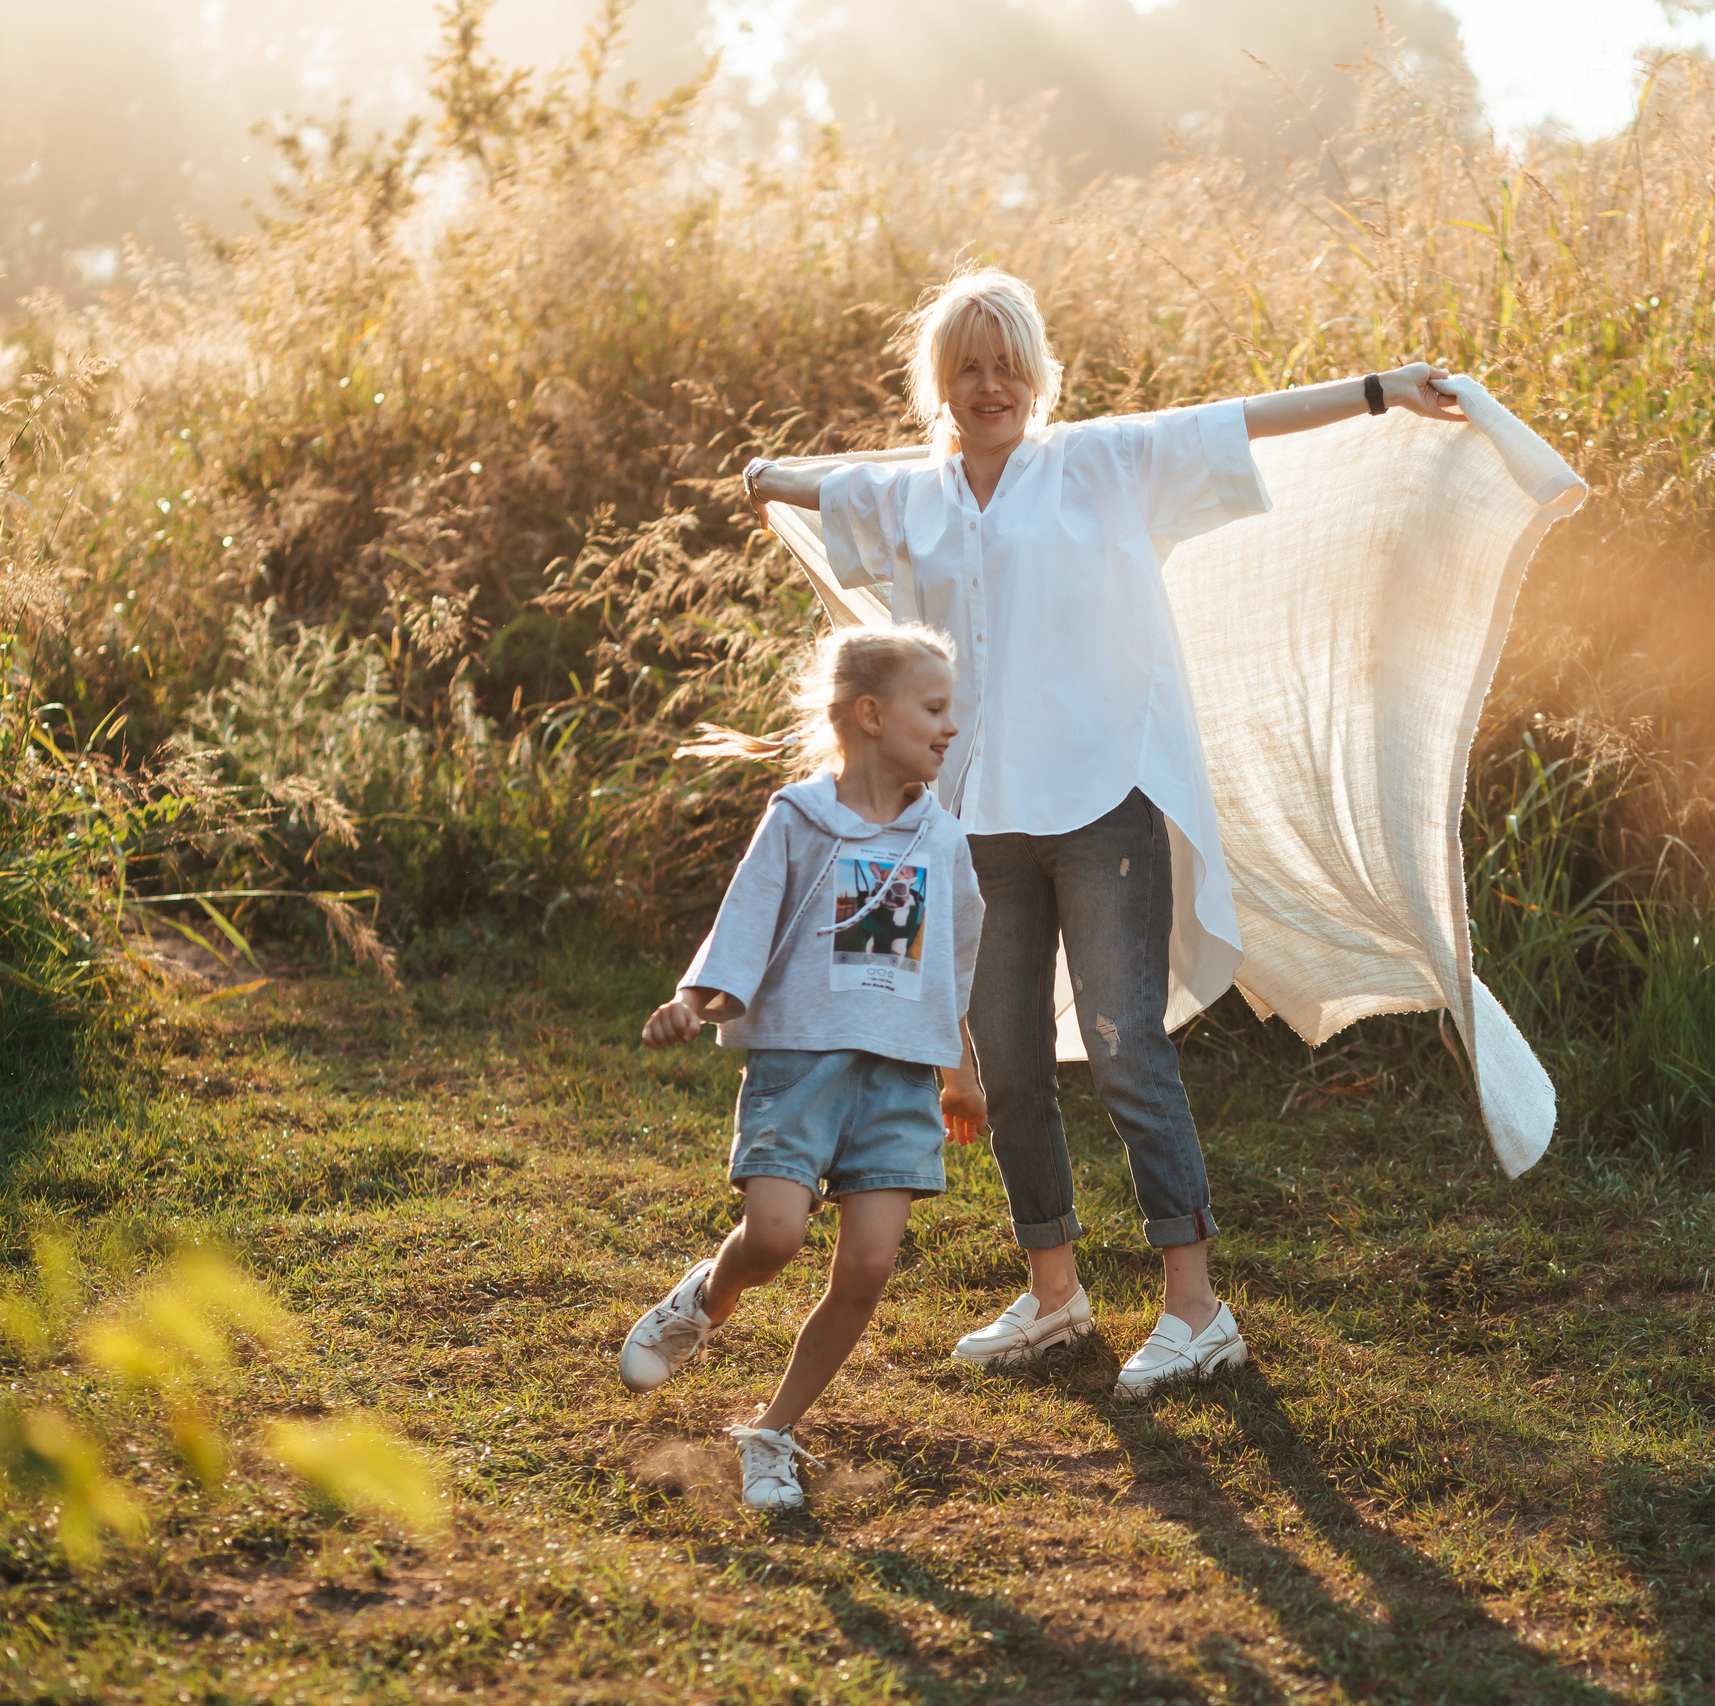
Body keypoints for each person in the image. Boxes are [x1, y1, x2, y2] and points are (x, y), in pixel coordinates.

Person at [742, 268, 1464, 1399]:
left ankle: (1195, 1304)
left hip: (1101, 804)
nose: (992, 385)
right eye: (969, 368)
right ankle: (1053, 1291)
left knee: (1129, 1048)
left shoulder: (1100, 463)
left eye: (1009, 363)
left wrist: (1380, 392)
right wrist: (767, 474)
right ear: (941, 386)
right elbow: (831, 488)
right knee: (1009, 1070)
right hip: (977, 819)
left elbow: (1244, 421)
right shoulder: (916, 499)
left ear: (1039, 374)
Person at [620, 623, 987, 1512]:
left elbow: (952, 966)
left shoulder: (944, 840)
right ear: (870, 713)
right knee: (777, 1236)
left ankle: (772, 1433)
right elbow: (743, 926)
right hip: (800, 1064)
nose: (950, 728)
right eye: (934, 709)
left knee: (865, 1268)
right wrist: (693, 1002)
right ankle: (703, 1300)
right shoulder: (798, 819)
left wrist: (963, 1069)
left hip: (900, 1078)